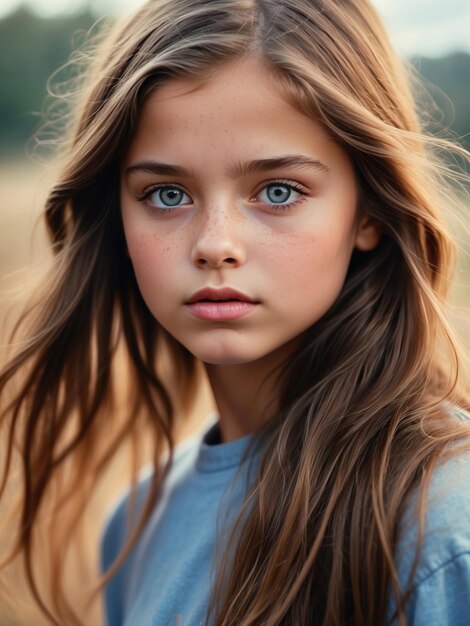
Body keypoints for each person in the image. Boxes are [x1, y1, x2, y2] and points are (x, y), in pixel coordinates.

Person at [1, 0, 470, 624]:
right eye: (166, 194)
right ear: (117, 214)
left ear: (370, 211)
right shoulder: (136, 528)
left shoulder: (440, 525)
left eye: (278, 191)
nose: (215, 244)